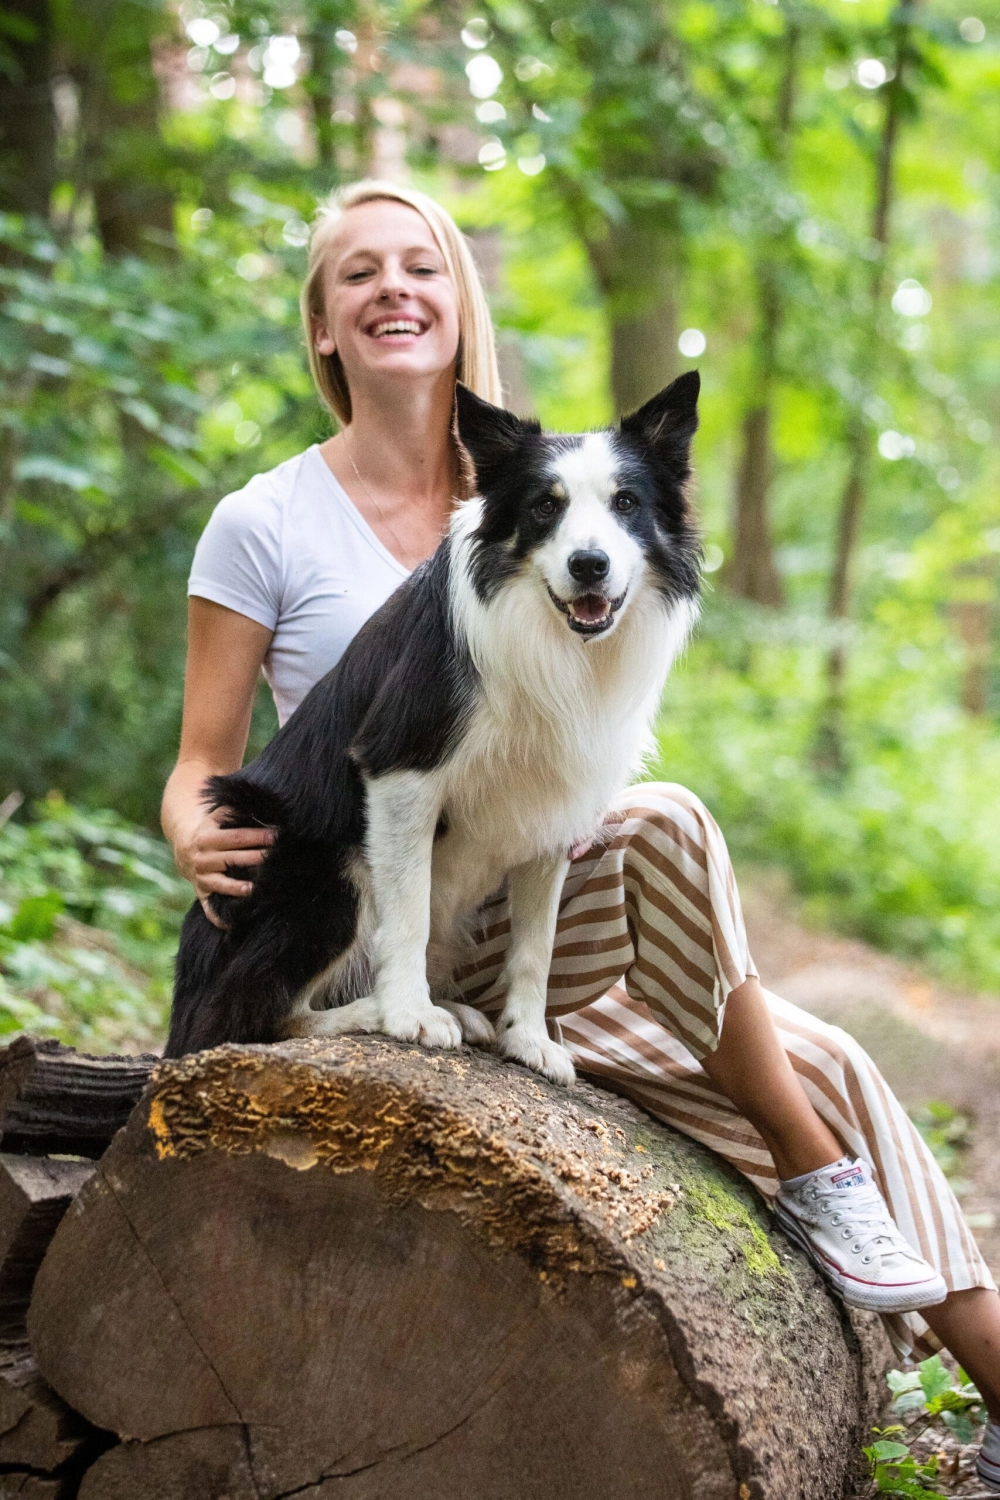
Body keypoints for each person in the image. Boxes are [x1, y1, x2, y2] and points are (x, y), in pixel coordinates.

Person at [161, 179, 1000, 1482]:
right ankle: (813, 1161)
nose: (395, 289)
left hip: (507, 914)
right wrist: (190, 830)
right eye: (359, 274)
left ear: (459, 298)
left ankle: (986, 1364)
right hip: (372, 911)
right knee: (791, 1032)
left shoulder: (550, 477)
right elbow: (203, 768)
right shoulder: (269, 520)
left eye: (422, 266)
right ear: (321, 323)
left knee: (813, 1045)